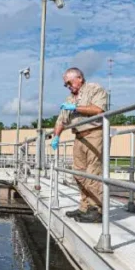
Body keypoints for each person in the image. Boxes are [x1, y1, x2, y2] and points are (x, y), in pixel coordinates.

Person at [51, 67, 107, 223]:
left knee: (92, 173)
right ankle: (84, 207)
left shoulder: (95, 89)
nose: (67, 86)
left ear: (79, 78)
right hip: (79, 137)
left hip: (94, 134)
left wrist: (76, 108)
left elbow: (98, 109)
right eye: (65, 85)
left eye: (69, 83)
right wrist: (56, 136)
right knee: (78, 173)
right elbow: (61, 120)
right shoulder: (69, 99)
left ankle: (96, 210)